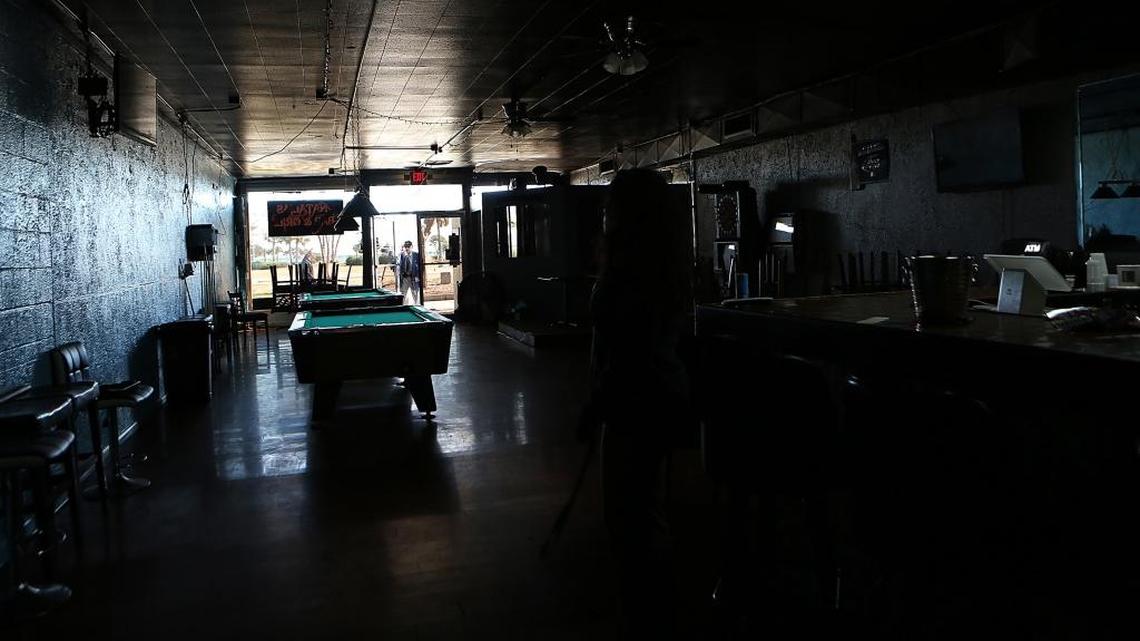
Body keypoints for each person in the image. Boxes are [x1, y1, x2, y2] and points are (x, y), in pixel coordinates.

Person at [581, 168, 691, 636]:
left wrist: (595, 406)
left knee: (630, 517)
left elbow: (626, 355)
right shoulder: (659, 264)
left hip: (634, 404)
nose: (605, 212)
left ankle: (648, 616)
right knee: (645, 510)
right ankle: (654, 609)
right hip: (657, 399)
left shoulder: (630, 274)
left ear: (629, 215)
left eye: (611, 206)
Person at [398, 240, 421, 305]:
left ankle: (417, 306)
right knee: (403, 293)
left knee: (415, 293)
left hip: (413, 277)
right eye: (406, 247)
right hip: (405, 278)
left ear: (412, 247)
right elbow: (400, 266)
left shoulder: (416, 255)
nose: (407, 248)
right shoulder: (402, 255)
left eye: (408, 247)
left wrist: (418, 276)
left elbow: (420, 267)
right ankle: (403, 306)